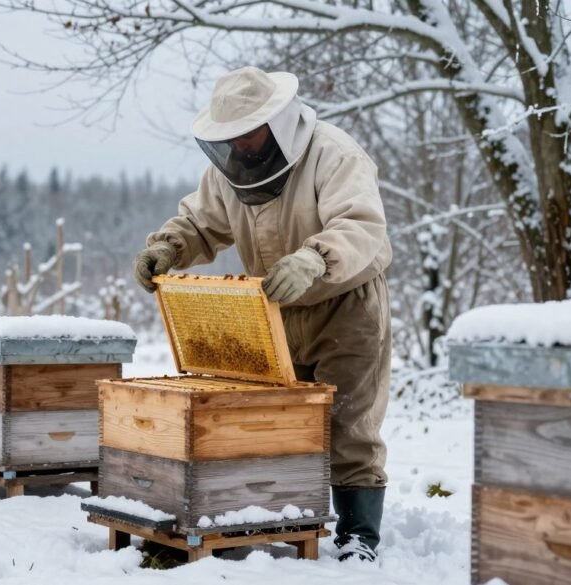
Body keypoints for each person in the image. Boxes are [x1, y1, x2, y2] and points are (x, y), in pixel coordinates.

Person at [134, 66, 392, 563]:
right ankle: (283, 516)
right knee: (279, 421)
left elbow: (362, 225)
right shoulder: (229, 170)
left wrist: (316, 258)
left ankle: (359, 536)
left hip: (345, 305)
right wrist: (167, 247)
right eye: (231, 138)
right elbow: (201, 222)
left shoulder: (334, 154)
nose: (242, 146)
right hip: (273, 307)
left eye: (248, 134)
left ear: (278, 122)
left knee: (348, 423)